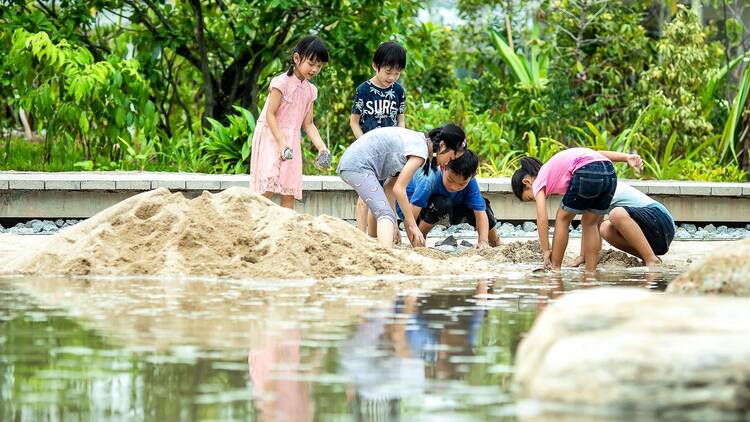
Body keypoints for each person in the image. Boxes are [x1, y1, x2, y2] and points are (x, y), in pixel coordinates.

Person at [511, 148, 643, 271]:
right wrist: (626, 157)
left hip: (586, 170)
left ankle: (555, 269)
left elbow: (541, 218)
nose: (534, 200)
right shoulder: (556, 167)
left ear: (527, 182)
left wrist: (546, 250)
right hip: (610, 173)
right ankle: (590, 272)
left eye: (529, 198)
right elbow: (595, 155)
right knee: (589, 222)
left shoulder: (538, 180)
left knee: (562, 218)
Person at [337, 124, 467, 248]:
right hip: (357, 166)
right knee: (385, 214)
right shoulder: (420, 151)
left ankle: (379, 250)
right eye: (451, 158)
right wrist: (412, 225)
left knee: (386, 214)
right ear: (443, 145)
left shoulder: (418, 142)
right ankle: (384, 258)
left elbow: (390, 186)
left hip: (353, 163)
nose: (448, 164)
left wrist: (394, 224)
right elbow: (399, 189)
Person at [249, 35, 330, 209]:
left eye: (319, 65)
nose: (315, 69)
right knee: (268, 186)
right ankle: (256, 224)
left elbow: (308, 124)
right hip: (271, 135)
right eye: (311, 63)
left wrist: (322, 147)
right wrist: (280, 142)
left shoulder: (310, 91)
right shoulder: (281, 83)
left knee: (289, 189)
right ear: (296, 58)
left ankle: (287, 232)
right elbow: (270, 114)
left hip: (291, 141)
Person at [350, 41, 408, 235]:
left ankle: (387, 231)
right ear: (375, 66)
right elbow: (354, 122)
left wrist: (401, 145)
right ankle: (360, 235)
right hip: (368, 151)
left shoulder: (399, 92)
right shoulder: (363, 90)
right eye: (388, 72)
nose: (392, 77)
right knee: (365, 194)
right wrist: (363, 144)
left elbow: (401, 121)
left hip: (390, 150)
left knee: (388, 191)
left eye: (397, 73)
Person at [396, 149, 501, 249]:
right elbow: (411, 214)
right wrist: (413, 238)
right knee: (441, 203)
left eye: (462, 184)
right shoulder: (429, 179)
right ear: (443, 167)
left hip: (451, 206)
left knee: (484, 206)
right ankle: (420, 239)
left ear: (472, 177)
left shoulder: (471, 182)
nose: (454, 187)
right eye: (450, 180)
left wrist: (483, 241)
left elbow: (480, 214)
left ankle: (494, 241)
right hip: (413, 209)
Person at [571, 181, 676, 267]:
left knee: (616, 214)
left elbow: (589, 223)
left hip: (661, 220)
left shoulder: (602, 186)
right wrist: (591, 256)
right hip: (652, 236)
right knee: (605, 228)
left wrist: (582, 256)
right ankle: (648, 256)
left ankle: (651, 259)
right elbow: (595, 226)